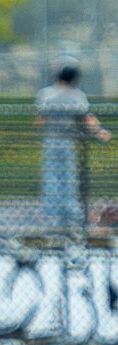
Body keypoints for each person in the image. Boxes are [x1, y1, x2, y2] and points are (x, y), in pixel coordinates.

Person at [36, 64, 111, 230]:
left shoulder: (46, 94)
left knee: (51, 175)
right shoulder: (77, 95)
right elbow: (86, 117)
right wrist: (99, 132)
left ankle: (52, 213)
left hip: (51, 140)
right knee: (69, 175)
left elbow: (40, 120)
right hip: (68, 140)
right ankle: (69, 213)